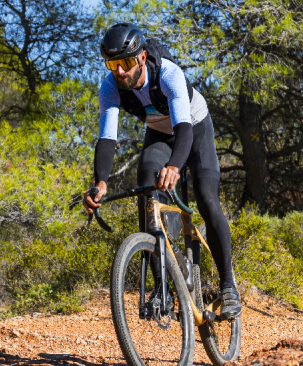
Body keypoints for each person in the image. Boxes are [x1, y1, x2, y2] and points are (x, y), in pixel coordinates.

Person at [82, 22, 240, 319]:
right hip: (158, 132)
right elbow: (107, 138)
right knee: (147, 190)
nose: (119, 72)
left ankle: (228, 285)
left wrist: (175, 166)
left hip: (192, 126)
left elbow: (183, 130)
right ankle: (160, 286)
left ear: (141, 58)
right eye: (112, 64)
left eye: (126, 63)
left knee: (206, 198)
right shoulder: (110, 86)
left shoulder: (168, 73)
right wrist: (100, 183)